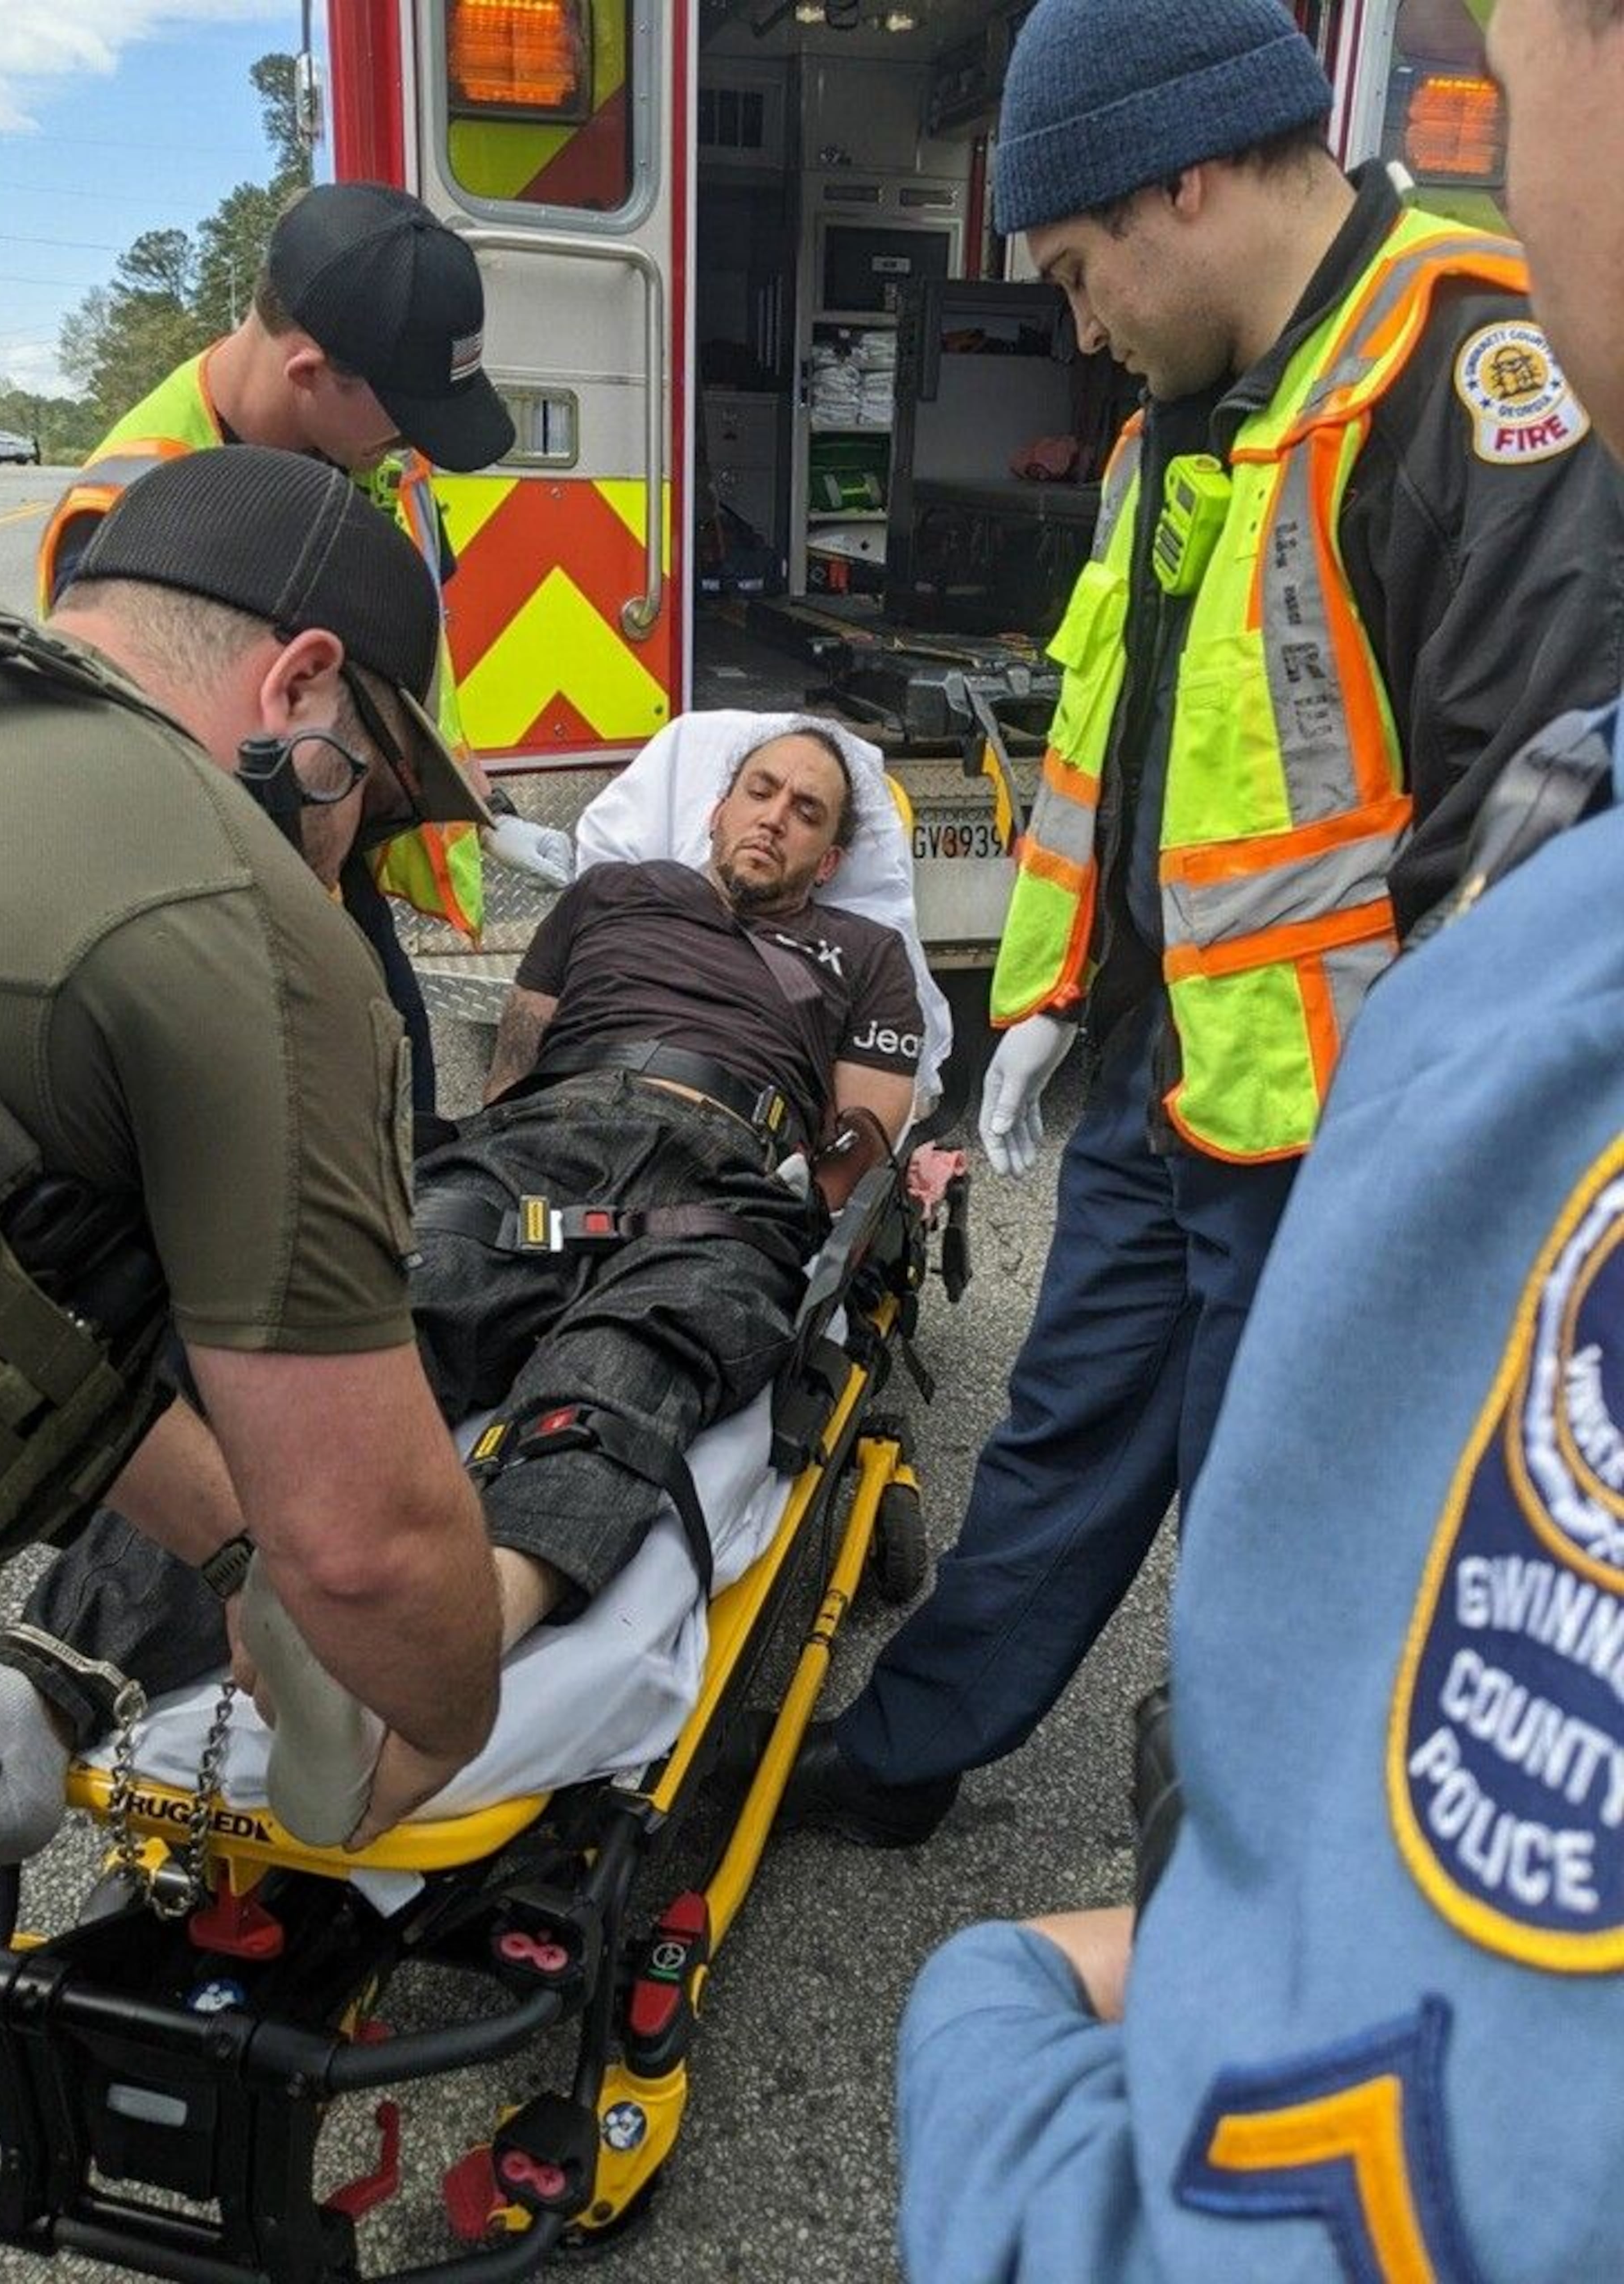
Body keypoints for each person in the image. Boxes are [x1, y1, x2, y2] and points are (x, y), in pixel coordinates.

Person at [897, 2, 1624, 2276]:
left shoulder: (1466, 360)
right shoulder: (1192, 413)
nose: (1071, 311)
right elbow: (1127, 746)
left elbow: (1510, 821)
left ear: (1189, 185)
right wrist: (1037, 1007)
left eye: (1080, 259)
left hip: (1338, 1131)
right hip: (1162, 1074)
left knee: (1295, 1565)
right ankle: (901, 1744)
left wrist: (1419, 1177)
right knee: (1059, 1434)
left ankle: (1251, 1955)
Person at [0, 725, 925, 1860]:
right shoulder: (613, 895)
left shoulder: (865, 952)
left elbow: (859, 1159)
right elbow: (516, 1062)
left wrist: (785, 1230)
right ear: (718, 804)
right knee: (352, 1343)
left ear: (831, 855)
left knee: (619, 1377)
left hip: (731, 1177)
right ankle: (33, 1699)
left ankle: (431, 1654)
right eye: (761, 790)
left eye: (808, 812)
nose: (775, 817)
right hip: (551, 1132)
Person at [0, 444, 508, 1862]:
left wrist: (240, 1546)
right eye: (370, 783)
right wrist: (441, 1722)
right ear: (300, 687)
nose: (350, 851)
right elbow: (367, 1551)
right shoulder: (239, 919)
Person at [38, 180, 574, 1130]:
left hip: (339, 872)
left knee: (399, 1092)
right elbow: (149, 802)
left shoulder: (374, 452)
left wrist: (445, 768)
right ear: (310, 374)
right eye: (405, 416)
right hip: (231, 918)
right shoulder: (137, 514)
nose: (417, 447)